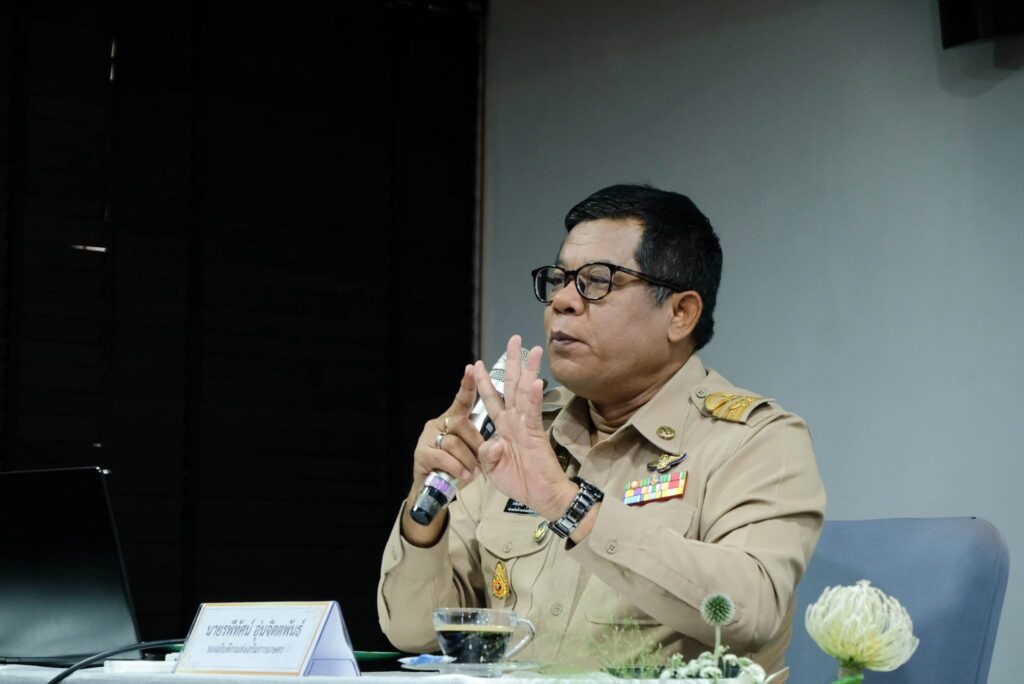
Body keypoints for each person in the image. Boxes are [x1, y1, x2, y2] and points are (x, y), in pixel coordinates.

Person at [377, 184, 826, 678]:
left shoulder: (755, 440)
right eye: (559, 280)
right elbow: (413, 632)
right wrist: (425, 509)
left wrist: (567, 504)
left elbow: (750, 610)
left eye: (597, 281)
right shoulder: (521, 433)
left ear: (680, 314)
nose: (562, 301)